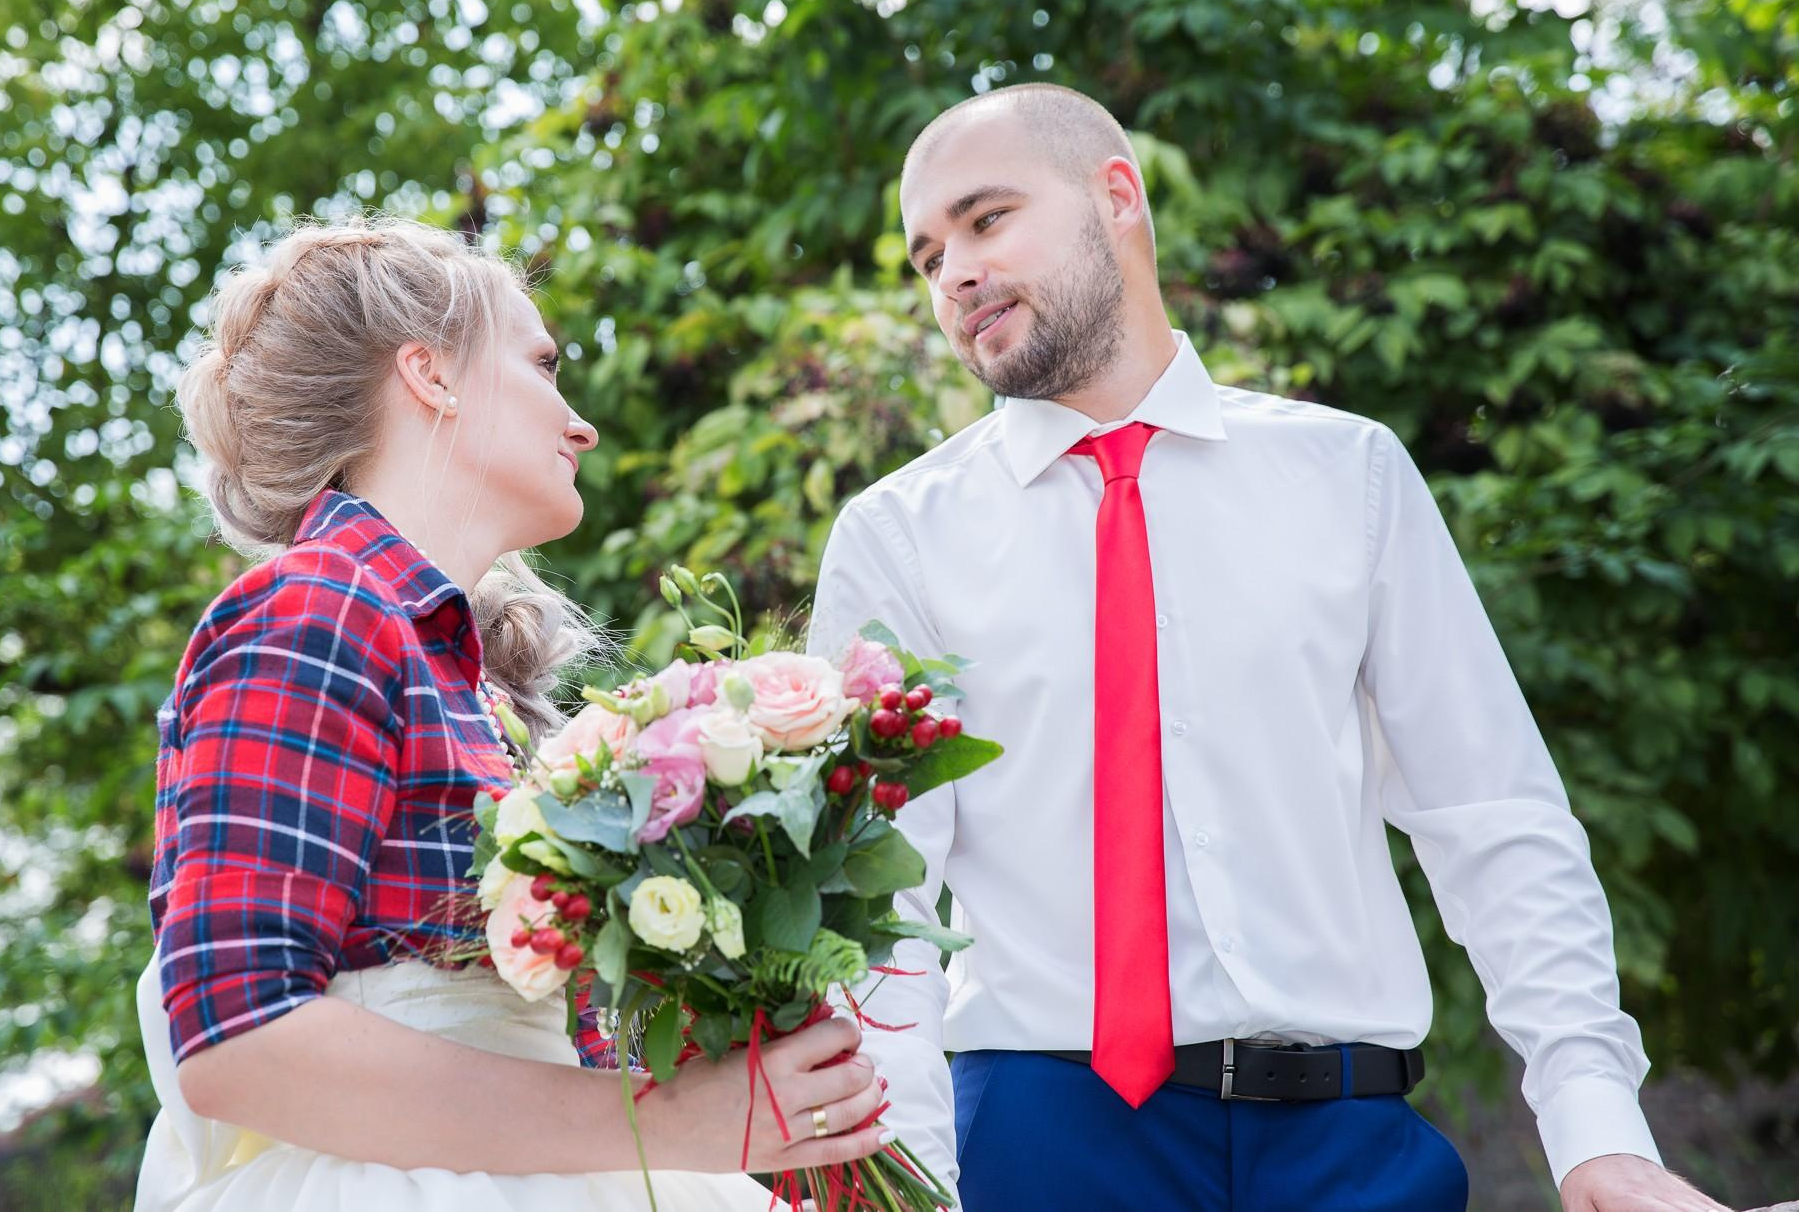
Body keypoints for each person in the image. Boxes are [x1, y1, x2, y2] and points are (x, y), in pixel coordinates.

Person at [807, 85, 1726, 1212]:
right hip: (1040, 1146)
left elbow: (1493, 819)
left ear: (1116, 197)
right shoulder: (898, 537)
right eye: (925, 255)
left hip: (1349, 1145)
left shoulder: (1351, 476)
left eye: (985, 219)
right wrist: (898, 1186)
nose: (951, 272)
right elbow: (878, 910)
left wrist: (1595, 1129)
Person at [135, 216, 889, 1211]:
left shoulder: (471, 683)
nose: (579, 420)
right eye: (542, 362)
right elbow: (239, 1040)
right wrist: (663, 1124)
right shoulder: (312, 608)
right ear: (430, 375)